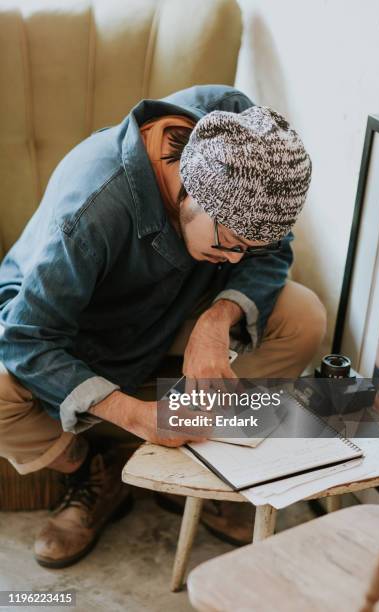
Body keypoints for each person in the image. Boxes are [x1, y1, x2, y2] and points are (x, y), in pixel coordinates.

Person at [0, 84, 326, 567]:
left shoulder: (241, 132)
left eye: (246, 249)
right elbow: (27, 337)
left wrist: (218, 319)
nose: (236, 258)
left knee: (304, 317)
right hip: (76, 326)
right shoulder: (92, 210)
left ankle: (199, 461)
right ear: (190, 189)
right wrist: (134, 415)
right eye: (231, 242)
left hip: (176, 305)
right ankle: (93, 472)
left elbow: (271, 249)